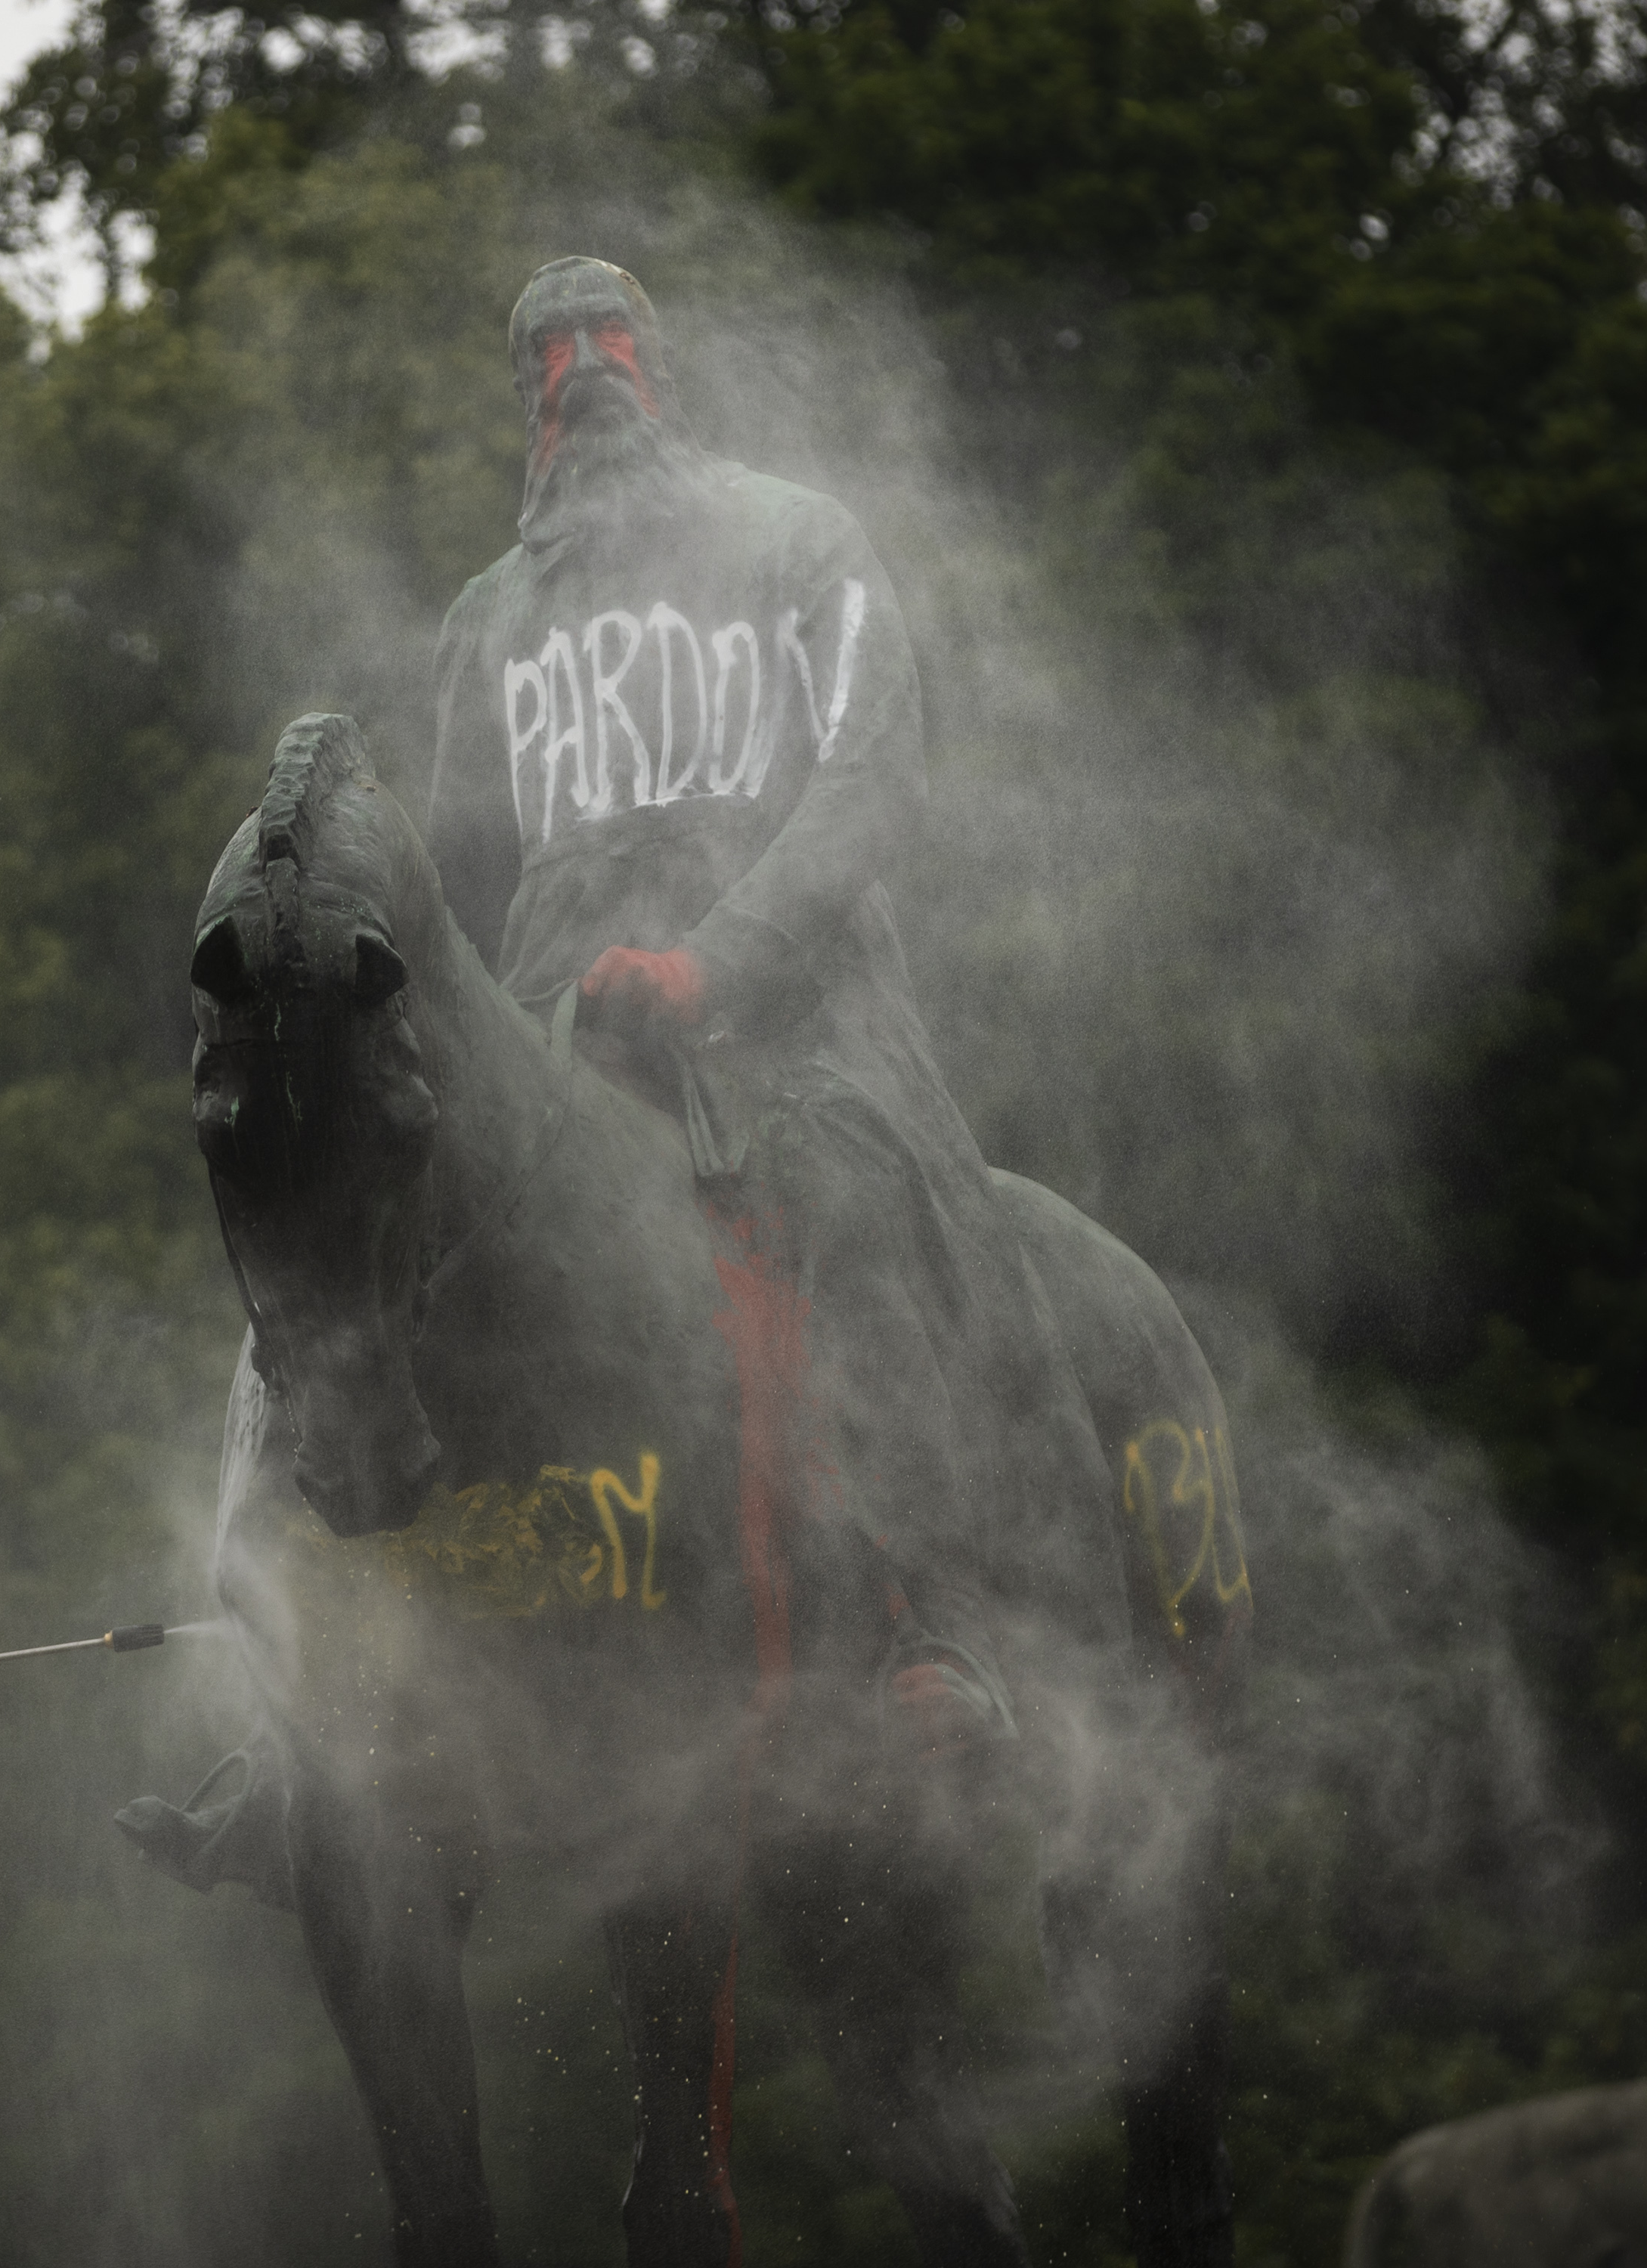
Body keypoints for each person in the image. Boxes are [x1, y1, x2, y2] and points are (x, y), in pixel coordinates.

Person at [421, 256, 1121, 1746]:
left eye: (610, 339)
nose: (583, 366)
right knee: (379, 1243)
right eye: (549, 350)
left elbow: (872, 783)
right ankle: (351, 1699)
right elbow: (456, 898)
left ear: (659, 371)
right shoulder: (486, 623)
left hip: (800, 1032)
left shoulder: (801, 541)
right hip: (570, 1055)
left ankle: (926, 1620)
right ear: (523, 404)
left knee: (843, 1189)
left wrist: (711, 961)